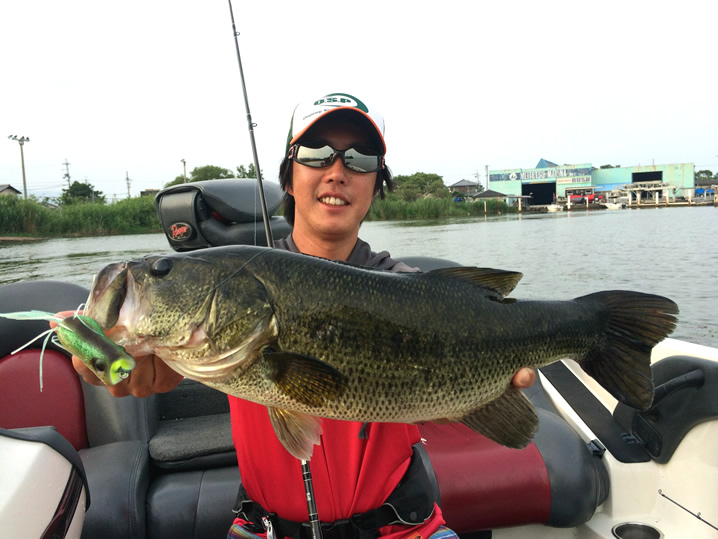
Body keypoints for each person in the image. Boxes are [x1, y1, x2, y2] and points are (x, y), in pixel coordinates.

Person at [69, 92, 536, 539]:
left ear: (377, 185)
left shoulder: (406, 285)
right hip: (263, 529)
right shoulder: (231, 290)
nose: (337, 171)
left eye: (360, 160)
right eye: (316, 153)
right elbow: (137, 368)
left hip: (404, 527)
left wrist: (490, 382)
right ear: (288, 179)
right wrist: (100, 357)